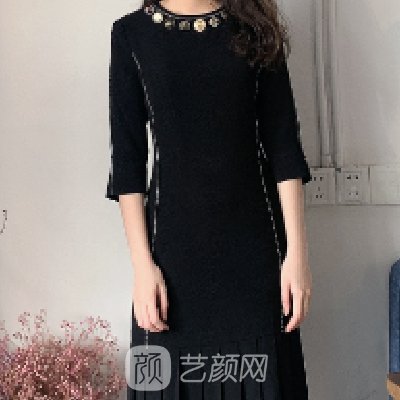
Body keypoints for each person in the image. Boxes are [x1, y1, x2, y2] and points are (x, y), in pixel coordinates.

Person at [105, 0, 313, 398]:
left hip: (256, 259)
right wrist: (142, 267)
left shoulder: (255, 25)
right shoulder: (131, 34)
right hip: (170, 263)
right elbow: (127, 162)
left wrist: (297, 257)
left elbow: (284, 147)